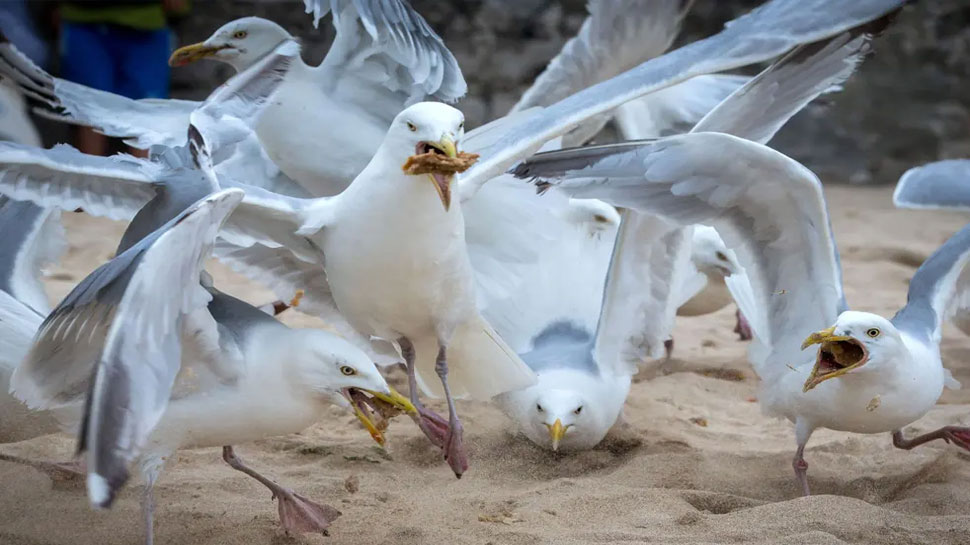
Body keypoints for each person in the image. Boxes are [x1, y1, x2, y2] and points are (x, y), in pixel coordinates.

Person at [58, 0, 188, 156]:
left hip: (146, 24)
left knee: (147, 109)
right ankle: (89, 174)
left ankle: (143, 177)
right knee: (89, 108)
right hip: (84, 20)